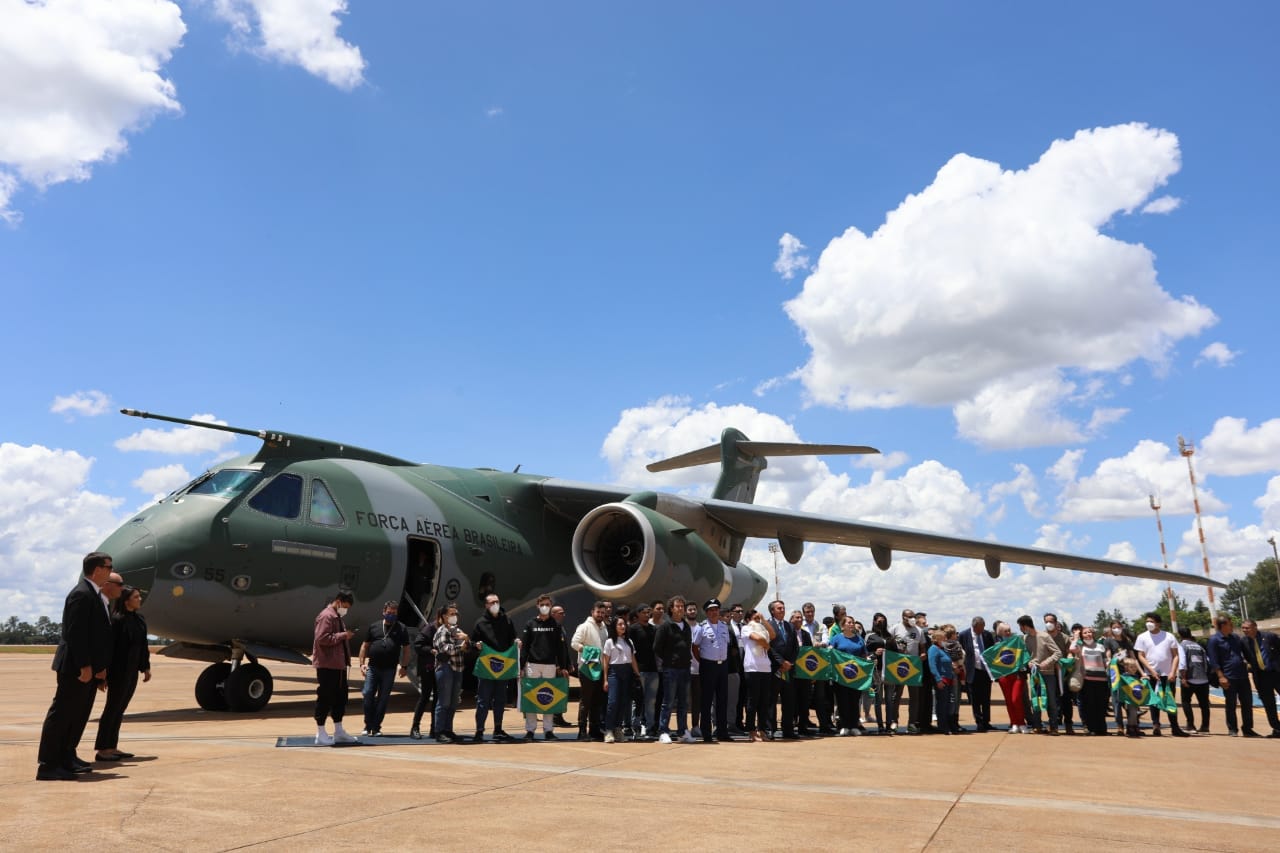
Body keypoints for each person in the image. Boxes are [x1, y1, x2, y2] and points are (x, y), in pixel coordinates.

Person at [36, 553, 116, 780]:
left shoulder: (93, 594)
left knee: (73, 715)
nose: (110, 571)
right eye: (108, 567)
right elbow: (76, 634)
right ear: (97, 569)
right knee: (61, 715)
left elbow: (97, 637)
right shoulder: (82, 594)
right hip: (75, 667)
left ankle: (64, 758)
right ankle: (48, 765)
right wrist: (85, 665)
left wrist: (99, 667)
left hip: (85, 666)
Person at [94, 585, 151, 761]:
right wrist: (102, 674)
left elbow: (143, 647)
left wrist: (145, 667)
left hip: (132, 670)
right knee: (112, 708)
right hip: (117, 671)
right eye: (136, 597)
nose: (139, 599)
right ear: (126, 601)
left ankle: (112, 746)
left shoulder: (139, 620)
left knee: (120, 709)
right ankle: (103, 749)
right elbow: (108, 648)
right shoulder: (116, 620)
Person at [311, 591, 359, 746]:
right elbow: (322, 638)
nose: (345, 610)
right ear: (338, 601)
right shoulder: (327, 616)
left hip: (338, 666)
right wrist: (344, 635)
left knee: (340, 697)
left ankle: (338, 731)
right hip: (328, 666)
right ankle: (320, 732)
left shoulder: (337, 617)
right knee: (325, 697)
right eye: (345, 606)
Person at [519, 594, 569, 741]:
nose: (545, 607)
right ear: (538, 606)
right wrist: (521, 667)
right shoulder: (530, 624)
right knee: (531, 698)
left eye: (548, 604)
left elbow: (561, 648)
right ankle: (530, 730)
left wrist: (563, 666)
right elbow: (525, 648)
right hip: (532, 665)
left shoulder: (556, 625)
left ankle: (548, 730)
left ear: (551, 606)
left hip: (550, 666)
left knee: (549, 698)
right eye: (542, 604)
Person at [471, 592, 519, 742]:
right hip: (487, 667)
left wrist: (517, 641)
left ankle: (498, 729)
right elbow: (472, 643)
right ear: (486, 605)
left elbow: (513, 637)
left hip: (502, 667)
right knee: (483, 700)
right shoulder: (480, 623)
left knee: (500, 699)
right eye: (492, 602)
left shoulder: (507, 620)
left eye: (497, 601)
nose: (495, 605)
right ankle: (479, 730)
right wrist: (476, 645)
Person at [358, 601, 410, 737]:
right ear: (384, 612)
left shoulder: (401, 628)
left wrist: (404, 666)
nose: (391, 615)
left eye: (394, 613)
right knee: (368, 693)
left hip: (389, 669)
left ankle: (376, 727)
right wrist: (361, 663)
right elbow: (365, 646)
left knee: (383, 698)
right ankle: (367, 724)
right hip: (373, 668)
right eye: (389, 612)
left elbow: (406, 649)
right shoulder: (374, 627)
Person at [1133, 612, 1188, 737]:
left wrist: (1173, 672)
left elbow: (1175, 656)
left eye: (1151, 621)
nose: (1149, 624)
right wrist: (1151, 671)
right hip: (1151, 675)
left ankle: (1175, 727)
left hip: (1168, 675)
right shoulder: (1142, 637)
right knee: (1154, 701)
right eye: (1147, 621)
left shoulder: (1169, 636)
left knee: (1170, 700)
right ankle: (1156, 725)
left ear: (1158, 623)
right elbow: (1140, 656)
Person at [1207, 615, 1259, 737]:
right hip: (1228, 677)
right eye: (1230, 624)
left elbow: (1245, 653)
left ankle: (1247, 728)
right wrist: (1221, 677)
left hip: (1242, 675)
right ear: (1223, 625)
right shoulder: (1214, 640)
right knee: (1231, 704)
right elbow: (1213, 661)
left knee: (1247, 703)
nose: (1233, 627)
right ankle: (1232, 728)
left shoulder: (1235, 638)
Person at [654, 595, 695, 743]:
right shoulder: (665, 626)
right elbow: (657, 648)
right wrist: (669, 660)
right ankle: (663, 731)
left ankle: (683, 731)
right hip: (670, 669)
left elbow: (688, 645)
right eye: (677, 606)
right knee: (668, 702)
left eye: (682, 607)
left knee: (684, 702)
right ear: (671, 609)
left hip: (685, 668)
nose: (681, 609)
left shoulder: (686, 627)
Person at [692, 598, 732, 742]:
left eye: (716, 609)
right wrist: (702, 660)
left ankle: (722, 732)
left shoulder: (723, 626)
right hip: (708, 666)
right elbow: (695, 646)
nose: (714, 612)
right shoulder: (701, 627)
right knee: (707, 700)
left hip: (723, 666)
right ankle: (706, 733)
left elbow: (726, 644)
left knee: (722, 699)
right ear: (707, 612)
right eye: (711, 610)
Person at [572, 600, 610, 741]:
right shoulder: (584, 627)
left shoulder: (604, 628)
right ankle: (581, 731)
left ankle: (594, 730)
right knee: (586, 700)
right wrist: (589, 651)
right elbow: (574, 643)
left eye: (602, 612)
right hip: (587, 668)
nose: (600, 614)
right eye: (598, 612)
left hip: (600, 669)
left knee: (597, 701)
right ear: (592, 612)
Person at [432, 602, 469, 743]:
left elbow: (467, 646)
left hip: (458, 668)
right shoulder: (442, 631)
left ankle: (448, 729)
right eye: (451, 614)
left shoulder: (457, 631)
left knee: (453, 702)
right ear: (444, 616)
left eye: (455, 614)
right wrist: (461, 645)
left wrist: (466, 640)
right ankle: (439, 731)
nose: (454, 616)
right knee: (444, 702)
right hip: (446, 668)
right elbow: (445, 649)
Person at [1019, 614, 1060, 734]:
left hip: (1048, 673)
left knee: (1051, 700)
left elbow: (1057, 653)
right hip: (1035, 675)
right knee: (1035, 700)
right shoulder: (1025, 638)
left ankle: (1054, 727)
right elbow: (1026, 656)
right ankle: (1037, 726)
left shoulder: (1044, 636)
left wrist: (1046, 663)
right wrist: (1030, 663)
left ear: (1025, 626)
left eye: (1021, 626)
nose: (1020, 629)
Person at [766, 599, 800, 739]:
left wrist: (790, 662)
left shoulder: (789, 626)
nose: (782, 610)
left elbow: (795, 647)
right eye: (779, 608)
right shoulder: (767, 625)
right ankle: (770, 729)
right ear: (772, 611)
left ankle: (788, 729)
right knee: (771, 700)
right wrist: (781, 662)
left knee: (789, 700)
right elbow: (768, 647)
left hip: (788, 670)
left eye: (783, 608)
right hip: (774, 669)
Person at [1240, 619, 1280, 737]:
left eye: (1247, 628)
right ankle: (1277, 729)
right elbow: (1247, 657)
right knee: (1269, 704)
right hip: (1261, 676)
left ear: (1255, 627)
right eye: (1243, 628)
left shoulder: (1270, 637)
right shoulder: (1244, 642)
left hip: (1276, 673)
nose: (1244, 630)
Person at [602, 617, 639, 742]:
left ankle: (618, 728)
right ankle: (608, 730)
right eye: (620, 624)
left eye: (624, 624)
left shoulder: (629, 641)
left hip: (627, 672)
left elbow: (633, 659)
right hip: (614, 672)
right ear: (614, 627)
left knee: (624, 702)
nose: (623, 626)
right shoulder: (609, 642)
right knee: (613, 702)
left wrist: (637, 674)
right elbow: (606, 662)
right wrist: (605, 679)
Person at [828, 615, 867, 735]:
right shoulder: (836, 638)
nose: (851, 624)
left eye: (853, 622)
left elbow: (864, 655)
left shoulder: (859, 639)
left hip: (856, 675)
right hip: (840, 675)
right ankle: (844, 725)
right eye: (849, 622)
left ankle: (854, 725)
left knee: (854, 700)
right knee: (842, 700)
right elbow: (830, 651)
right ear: (842, 625)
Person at [741, 610, 776, 741]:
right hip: (752, 668)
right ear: (747, 619)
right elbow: (759, 639)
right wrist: (767, 645)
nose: (757, 620)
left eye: (758, 618)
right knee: (752, 701)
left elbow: (772, 634)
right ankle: (751, 730)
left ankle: (762, 730)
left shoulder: (762, 628)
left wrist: (764, 620)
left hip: (765, 668)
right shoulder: (746, 628)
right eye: (754, 618)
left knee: (764, 701)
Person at [628, 603, 660, 740]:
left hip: (653, 670)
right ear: (638, 614)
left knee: (651, 700)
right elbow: (630, 651)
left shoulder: (654, 629)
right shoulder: (633, 629)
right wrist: (634, 670)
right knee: (637, 701)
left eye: (649, 612)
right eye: (644, 612)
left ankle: (650, 728)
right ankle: (634, 727)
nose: (647, 615)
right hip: (639, 670)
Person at [1071, 625, 1110, 736]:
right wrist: (1076, 637)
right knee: (1089, 704)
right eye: (1085, 633)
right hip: (1087, 679)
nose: (1088, 634)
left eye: (1090, 632)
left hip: (1101, 679)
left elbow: (1105, 661)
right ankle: (1091, 727)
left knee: (1101, 704)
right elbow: (1072, 649)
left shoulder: (1100, 646)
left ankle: (1101, 728)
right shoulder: (1080, 646)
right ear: (1082, 635)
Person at [991, 621, 1029, 734]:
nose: (1008, 633)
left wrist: (1025, 664)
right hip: (1004, 676)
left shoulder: (1017, 640)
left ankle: (1022, 723)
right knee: (1009, 701)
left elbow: (1025, 653)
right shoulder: (997, 645)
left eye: (1009, 630)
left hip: (1017, 675)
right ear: (1000, 632)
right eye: (1005, 631)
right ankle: (1014, 723)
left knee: (1016, 699)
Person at [889, 609, 923, 734]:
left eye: (913, 616)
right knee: (896, 695)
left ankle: (912, 723)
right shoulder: (895, 628)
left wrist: (923, 654)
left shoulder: (918, 630)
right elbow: (888, 644)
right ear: (903, 617)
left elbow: (922, 647)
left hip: (914, 667)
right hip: (899, 666)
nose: (912, 618)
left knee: (915, 697)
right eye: (910, 616)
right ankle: (894, 722)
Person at [958, 617, 994, 732]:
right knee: (975, 699)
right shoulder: (964, 635)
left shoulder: (987, 635)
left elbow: (992, 651)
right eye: (980, 628)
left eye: (983, 627)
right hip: (972, 671)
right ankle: (979, 722)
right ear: (974, 627)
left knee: (986, 698)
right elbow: (960, 653)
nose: (982, 630)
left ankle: (987, 721)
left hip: (986, 671)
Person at [1177, 626, 1211, 734]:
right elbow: (1207, 662)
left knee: (1186, 701)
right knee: (1204, 704)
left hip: (1190, 678)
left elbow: (1182, 663)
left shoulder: (1182, 646)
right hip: (1203, 679)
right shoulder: (1199, 646)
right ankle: (1205, 726)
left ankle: (1190, 725)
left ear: (1180, 635)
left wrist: (1183, 678)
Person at [408, 615, 437, 740]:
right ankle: (415, 727)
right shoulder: (430, 628)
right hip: (427, 668)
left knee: (438, 698)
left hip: (440, 669)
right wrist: (431, 650)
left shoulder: (448, 629)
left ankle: (434, 728)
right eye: (450, 615)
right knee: (425, 697)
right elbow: (418, 644)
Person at [864, 613, 893, 733]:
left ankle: (889, 724)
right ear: (874, 621)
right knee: (878, 699)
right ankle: (880, 725)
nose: (882, 623)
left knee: (889, 699)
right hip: (877, 670)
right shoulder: (870, 636)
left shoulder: (890, 636)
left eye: (884, 621)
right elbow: (866, 653)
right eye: (879, 621)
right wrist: (875, 653)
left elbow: (896, 652)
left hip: (890, 671)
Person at [928, 628, 958, 734]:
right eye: (944, 638)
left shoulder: (942, 649)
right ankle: (943, 726)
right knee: (942, 704)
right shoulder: (933, 649)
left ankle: (948, 725)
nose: (946, 640)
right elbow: (933, 666)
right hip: (942, 680)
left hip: (949, 679)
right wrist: (938, 680)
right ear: (937, 639)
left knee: (948, 704)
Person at [550, 604, 573, 727]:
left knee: (562, 692)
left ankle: (559, 716)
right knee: (555, 692)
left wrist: (569, 664)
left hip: (563, 667)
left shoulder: (561, 628)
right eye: (560, 613)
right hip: (555, 668)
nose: (563, 615)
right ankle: (554, 717)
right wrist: (557, 665)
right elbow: (550, 649)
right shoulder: (550, 628)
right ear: (553, 614)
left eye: (563, 613)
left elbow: (564, 648)